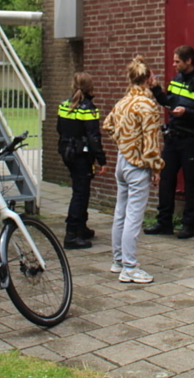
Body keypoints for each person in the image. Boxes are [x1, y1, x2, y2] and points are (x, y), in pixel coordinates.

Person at [103, 56, 165, 284]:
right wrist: (155, 168)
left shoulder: (122, 103)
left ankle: (118, 260)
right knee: (134, 216)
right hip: (138, 165)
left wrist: (123, 142)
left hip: (122, 161)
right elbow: (151, 142)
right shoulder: (147, 105)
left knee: (121, 212)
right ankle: (129, 266)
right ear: (149, 79)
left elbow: (108, 124)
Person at [144, 45, 194, 239]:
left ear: (188, 61)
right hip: (173, 137)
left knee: (191, 182)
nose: (174, 64)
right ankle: (164, 222)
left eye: (177, 61)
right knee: (166, 179)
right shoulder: (176, 80)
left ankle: (188, 225)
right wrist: (155, 89)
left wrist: (187, 112)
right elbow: (169, 102)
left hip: (191, 139)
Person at [56, 73, 106, 249]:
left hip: (67, 153)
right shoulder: (89, 109)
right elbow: (94, 137)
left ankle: (81, 228)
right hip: (81, 156)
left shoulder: (64, 105)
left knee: (80, 189)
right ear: (89, 87)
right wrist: (102, 160)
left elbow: (59, 129)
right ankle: (71, 234)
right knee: (80, 193)